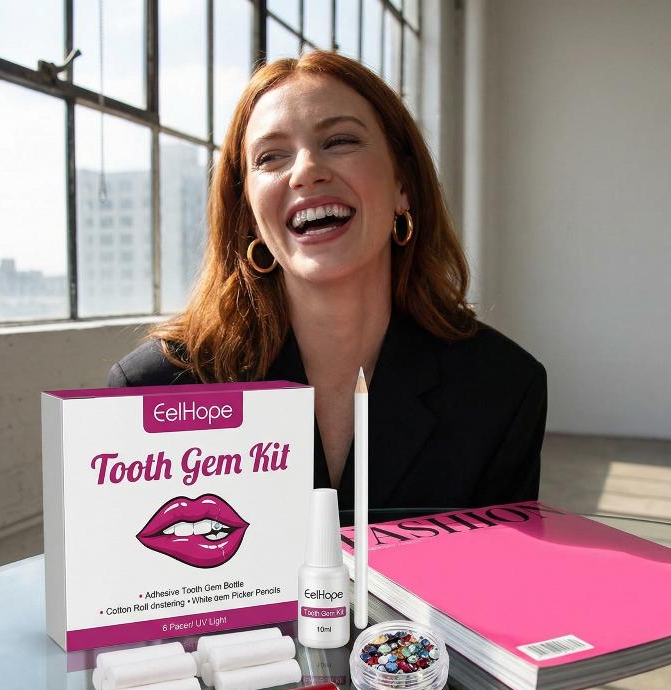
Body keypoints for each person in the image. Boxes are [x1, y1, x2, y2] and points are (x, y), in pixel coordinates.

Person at [108, 50, 547, 513]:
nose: (305, 171)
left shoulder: (502, 388)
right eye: (270, 157)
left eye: (339, 141)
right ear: (249, 214)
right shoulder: (156, 388)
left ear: (403, 184)